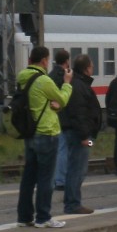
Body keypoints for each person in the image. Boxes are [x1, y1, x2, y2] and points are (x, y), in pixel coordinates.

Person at [15, 46, 73, 229]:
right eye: (47, 60)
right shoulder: (43, 80)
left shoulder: (22, 77)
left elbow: (36, 101)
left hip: (30, 133)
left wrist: (50, 104)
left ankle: (24, 217)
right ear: (44, 61)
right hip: (47, 133)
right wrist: (67, 83)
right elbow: (62, 99)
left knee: (29, 177)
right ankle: (43, 217)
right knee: (46, 178)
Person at [61, 53, 102, 215]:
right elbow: (79, 113)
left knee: (78, 167)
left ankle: (73, 202)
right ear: (86, 69)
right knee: (77, 168)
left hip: (82, 134)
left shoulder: (78, 83)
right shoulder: (79, 86)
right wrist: (85, 137)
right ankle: (73, 204)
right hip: (80, 136)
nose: (93, 68)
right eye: (91, 66)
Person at [48, 49, 72, 192]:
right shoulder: (66, 76)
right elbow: (66, 95)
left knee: (56, 149)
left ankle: (55, 178)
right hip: (64, 117)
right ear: (67, 61)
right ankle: (61, 180)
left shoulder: (50, 75)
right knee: (64, 149)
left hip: (52, 117)